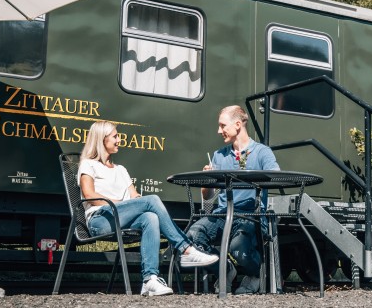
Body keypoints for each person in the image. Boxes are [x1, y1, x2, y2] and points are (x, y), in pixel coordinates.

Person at [79, 120, 219, 296]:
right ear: (101, 139)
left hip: (121, 217)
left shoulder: (120, 169)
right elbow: (89, 194)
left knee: (150, 217)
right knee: (152, 200)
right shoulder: (88, 164)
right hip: (100, 220)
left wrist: (135, 200)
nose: (119, 140)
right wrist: (119, 204)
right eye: (115, 136)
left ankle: (149, 280)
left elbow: (134, 195)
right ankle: (186, 248)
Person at [188, 105, 280, 294]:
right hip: (222, 215)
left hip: (250, 216)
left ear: (238, 125)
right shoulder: (219, 155)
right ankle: (226, 270)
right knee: (192, 237)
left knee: (239, 248)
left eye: (223, 126)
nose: (219, 131)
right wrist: (208, 181)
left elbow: (275, 177)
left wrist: (254, 177)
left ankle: (254, 274)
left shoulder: (262, 152)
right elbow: (208, 196)